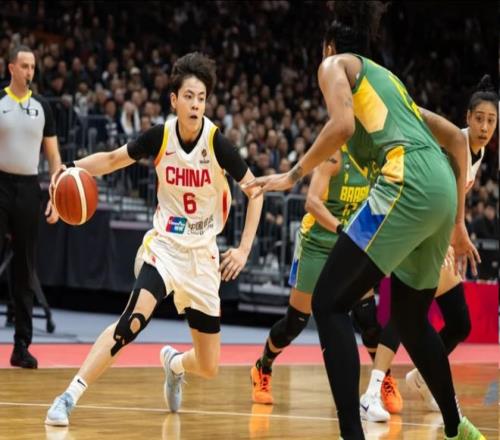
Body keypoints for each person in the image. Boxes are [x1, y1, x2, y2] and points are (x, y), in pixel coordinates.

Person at [244, 2, 483, 439]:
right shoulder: (389, 83)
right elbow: (454, 137)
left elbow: (341, 126)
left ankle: (351, 434)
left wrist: (292, 174)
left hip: (406, 179)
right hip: (441, 189)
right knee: (411, 320)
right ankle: (458, 428)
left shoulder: (333, 64)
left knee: (327, 302)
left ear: (329, 46)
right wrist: (458, 222)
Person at [45, 52, 263, 426]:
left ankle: (174, 364)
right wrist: (70, 168)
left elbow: (255, 191)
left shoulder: (216, 143)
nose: (196, 104)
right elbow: (112, 160)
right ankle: (68, 396)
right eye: (189, 96)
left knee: (208, 366)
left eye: (201, 98)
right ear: (174, 99)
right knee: (131, 321)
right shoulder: (160, 136)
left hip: (203, 255)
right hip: (165, 247)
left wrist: (243, 249)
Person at [250, 145, 398, 422]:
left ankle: (382, 381)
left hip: (352, 244)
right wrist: (343, 230)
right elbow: (312, 203)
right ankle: (263, 367)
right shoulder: (334, 155)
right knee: (295, 322)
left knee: (367, 318)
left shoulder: (375, 157)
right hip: (318, 243)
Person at [0, 45, 60, 369]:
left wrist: (56, 196)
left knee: (25, 269)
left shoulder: (42, 107)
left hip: (28, 188)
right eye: (24, 66)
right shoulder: (0, 102)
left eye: (33, 67)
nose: (29, 72)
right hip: (0, 184)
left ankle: (21, 346)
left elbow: (53, 156)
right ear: (11, 68)